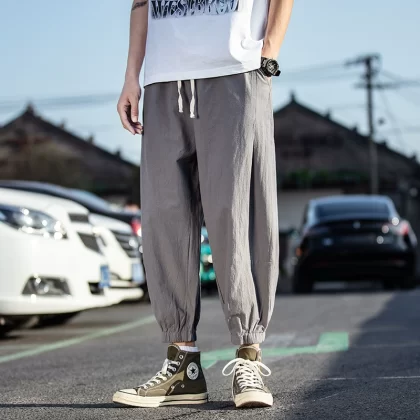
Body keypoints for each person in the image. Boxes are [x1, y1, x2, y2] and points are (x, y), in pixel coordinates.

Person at [114, 0, 294, 409]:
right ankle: (182, 368)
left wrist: (268, 53)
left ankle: (249, 356)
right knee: (165, 217)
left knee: (237, 214)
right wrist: (132, 76)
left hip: (236, 69)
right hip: (162, 77)